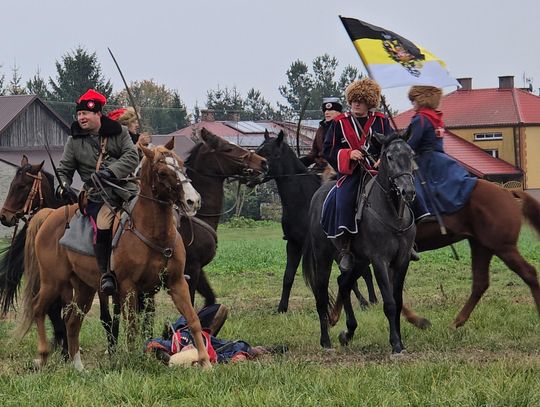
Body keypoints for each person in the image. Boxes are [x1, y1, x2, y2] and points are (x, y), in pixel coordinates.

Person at [55, 89, 140, 295]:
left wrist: (110, 172)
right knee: (103, 225)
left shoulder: (119, 132)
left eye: (86, 114)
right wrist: (63, 186)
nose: (82, 118)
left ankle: (171, 262)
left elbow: (131, 157)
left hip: (127, 190)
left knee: (158, 212)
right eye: (79, 115)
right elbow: (64, 170)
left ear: (98, 114)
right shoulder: (74, 141)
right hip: (99, 197)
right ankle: (106, 274)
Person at [322, 78, 393, 272]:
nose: (356, 103)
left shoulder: (381, 121)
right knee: (343, 199)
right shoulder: (340, 123)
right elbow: (328, 150)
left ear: (369, 102)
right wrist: (348, 154)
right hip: (352, 173)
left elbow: (392, 144)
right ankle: (345, 248)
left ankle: (407, 241)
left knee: (402, 195)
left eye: (360, 100)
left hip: (378, 173)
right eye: (353, 100)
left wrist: (382, 159)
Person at [406, 86, 477, 222]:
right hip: (440, 157)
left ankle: (422, 214)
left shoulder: (420, 119)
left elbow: (412, 144)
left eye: (413, 100)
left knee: (413, 186)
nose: (412, 103)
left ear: (421, 99)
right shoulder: (436, 117)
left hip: (425, 159)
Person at [300, 97, 343, 170]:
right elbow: (314, 152)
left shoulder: (344, 128)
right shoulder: (321, 129)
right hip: (319, 168)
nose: (326, 112)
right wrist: (303, 161)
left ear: (338, 112)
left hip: (338, 168)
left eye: (330, 110)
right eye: (325, 110)